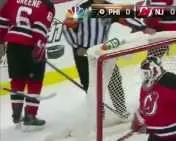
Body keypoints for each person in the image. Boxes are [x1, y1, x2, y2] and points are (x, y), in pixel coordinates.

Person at [63, 0, 155, 118]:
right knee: (90, 85)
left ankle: (121, 110)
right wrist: (76, 46)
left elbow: (126, 17)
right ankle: (98, 115)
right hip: (83, 53)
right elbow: (67, 26)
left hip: (102, 52)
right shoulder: (80, 8)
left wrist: (143, 27)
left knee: (114, 80)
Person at [0, 0, 55, 130]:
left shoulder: (14, 0)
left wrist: (0, 42)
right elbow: (41, 27)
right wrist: (39, 46)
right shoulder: (46, 5)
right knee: (34, 81)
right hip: (30, 44)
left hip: (13, 45)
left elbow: (2, 20)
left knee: (17, 79)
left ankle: (16, 114)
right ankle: (30, 115)